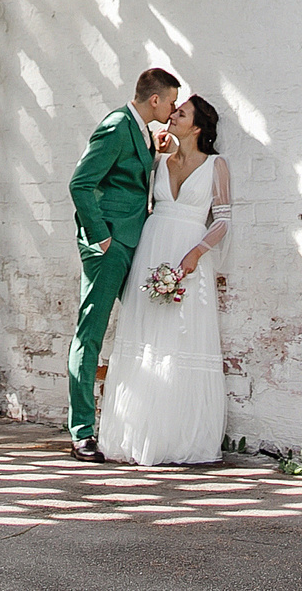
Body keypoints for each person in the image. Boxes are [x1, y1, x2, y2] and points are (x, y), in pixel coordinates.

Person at [97, 94, 231, 466]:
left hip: (188, 253)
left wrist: (196, 253)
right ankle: (138, 431)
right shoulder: (160, 161)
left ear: (198, 127)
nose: (173, 116)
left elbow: (223, 220)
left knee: (181, 336)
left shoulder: (216, 165)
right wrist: (157, 152)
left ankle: (176, 437)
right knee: (145, 334)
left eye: (181, 113)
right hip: (152, 250)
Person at [66, 66, 179, 461]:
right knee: (91, 334)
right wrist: (101, 237)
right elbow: (80, 183)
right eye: (171, 102)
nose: (173, 109)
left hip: (134, 240)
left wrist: (155, 152)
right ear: (155, 99)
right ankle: (82, 433)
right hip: (110, 245)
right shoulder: (116, 126)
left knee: (145, 326)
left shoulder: (140, 130)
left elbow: (126, 178)